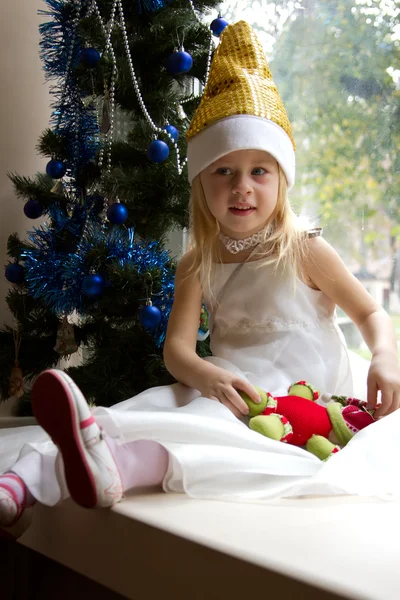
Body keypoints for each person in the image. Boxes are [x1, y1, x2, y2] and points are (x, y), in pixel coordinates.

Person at [1, 20, 400, 530]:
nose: (242, 188)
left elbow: (368, 310)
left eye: (260, 171)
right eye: (223, 171)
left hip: (297, 398)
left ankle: (113, 467)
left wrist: (385, 355)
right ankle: (22, 481)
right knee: (154, 407)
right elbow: (178, 351)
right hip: (228, 382)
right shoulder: (197, 263)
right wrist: (206, 375)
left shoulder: (303, 249)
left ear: (282, 180)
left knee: (218, 440)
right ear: (200, 183)